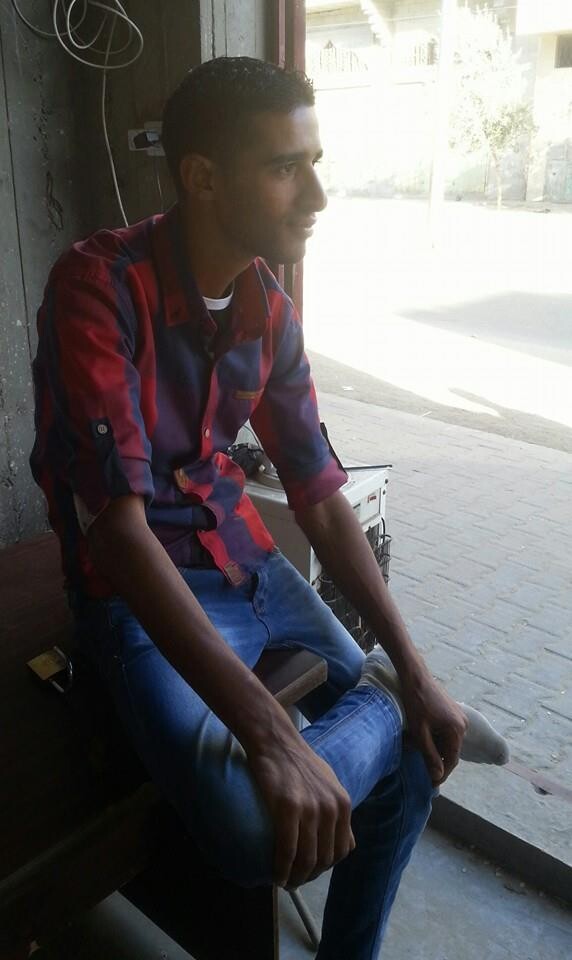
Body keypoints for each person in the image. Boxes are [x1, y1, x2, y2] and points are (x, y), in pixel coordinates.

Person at [30, 57, 507, 959]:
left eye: (315, 160)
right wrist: (270, 734)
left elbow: (320, 496)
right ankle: (376, 701)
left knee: (412, 762)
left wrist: (414, 664)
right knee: (253, 837)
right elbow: (121, 536)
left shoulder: (270, 307)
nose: (317, 194)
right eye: (287, 167)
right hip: (140, 591)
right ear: (202, 178)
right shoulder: (97, 290)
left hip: (251, 567)